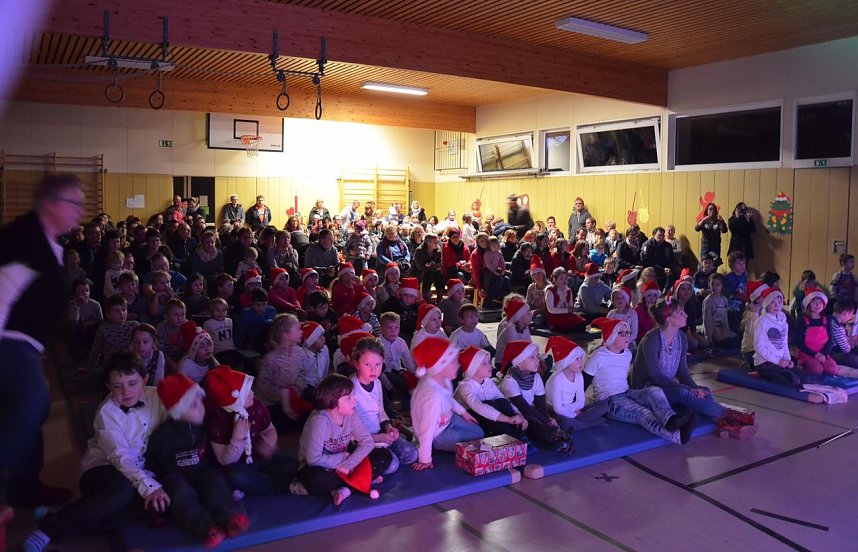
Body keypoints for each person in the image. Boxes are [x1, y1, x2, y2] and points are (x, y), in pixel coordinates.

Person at [0, 174, 86, 517]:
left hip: (27, 345)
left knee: (29, 412)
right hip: (9, 342)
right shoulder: (24, 241)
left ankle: (24, 488)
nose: (81, 211)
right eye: (74, 203)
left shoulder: (48, 243)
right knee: (32, 402)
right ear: (51, 205)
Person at [22, 352, 166, 552]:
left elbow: (182, 411)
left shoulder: (157, 396)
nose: (126, 391)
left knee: (148, 508)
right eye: (118, 386)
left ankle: (60, 515)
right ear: (108, 387)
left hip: (139, 472)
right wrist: (149, 486)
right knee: (121, 494)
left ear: (145, 380)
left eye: (132, 383)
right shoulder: (106, 412)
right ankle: (48, 529)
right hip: (103, 468)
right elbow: (120, 457)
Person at [147, 374, 249, 547]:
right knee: (180, 492)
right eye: (194, 405)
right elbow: (152, 462)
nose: (201, 408)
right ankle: (207, 526)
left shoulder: (203, 424)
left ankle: (229, 517)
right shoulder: (163, 435)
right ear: (179, 412)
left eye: (200, 402)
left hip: (201, 470)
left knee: (214, 480)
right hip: (175, 475)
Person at [632, 299, 756, 439]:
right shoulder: (651, 340)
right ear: (669, 318)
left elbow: (683, 372)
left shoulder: (681, 339)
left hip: (665, 388)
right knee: (681, 392)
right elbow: (656, 376)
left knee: (705, 391)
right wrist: (689, 389)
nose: (685, 315)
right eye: (680, 312)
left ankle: (723, 424)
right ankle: (734, 416)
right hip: (646, 390)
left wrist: (696, 389)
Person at [583, 318, 697, 445]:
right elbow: (583, 382)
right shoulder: (598, 357)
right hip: (610, 400)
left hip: (626, 392)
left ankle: (670, 419)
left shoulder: (626, 353)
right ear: (611, 337)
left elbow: (621, 379)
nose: (627, 336)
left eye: (628, 332)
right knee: (643, 413)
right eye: (622, 333)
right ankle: (677, 436)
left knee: (654, 391)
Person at [298, 374, 390, 505]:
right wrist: (344, 459)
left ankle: (346, 490)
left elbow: (367, 441)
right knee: (316, 479)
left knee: (384, 455)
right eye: (349, 398)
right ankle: (362, 480)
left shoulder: (351, 413)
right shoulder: (320, 420)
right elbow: (313, 459)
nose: (354, 400)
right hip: (321, 467)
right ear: (332, 401)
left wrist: (349, 463)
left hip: (346, 465)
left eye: (353, 396)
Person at [410, 337, 484, 471]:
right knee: (477, 436)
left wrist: (464, 413)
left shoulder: (442, 379)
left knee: (479, 431)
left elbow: (448, 399)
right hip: (436, 434)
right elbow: (427, 429)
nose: (458, 365)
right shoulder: (433, 396)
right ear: (441, 365)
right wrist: (425, 459)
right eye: (454, 362)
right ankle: (425, 444)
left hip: (447, 419)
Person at [349, 336, 417, 473]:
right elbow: (348, 429)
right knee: (392, 465)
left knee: (412, 454)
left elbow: (380, 410)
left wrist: (388, 427)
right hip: (361, 441)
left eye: (378, 365)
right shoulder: (350, 389)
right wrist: (375, 438)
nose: (373, 370)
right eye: (367, 365)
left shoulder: (378, 383)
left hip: (380, 434)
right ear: (356, 364)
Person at [455, 346, 527, 439]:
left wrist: (518, 415)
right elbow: (480, 408)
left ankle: (516, 433)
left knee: (502, 402)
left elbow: (502, 398)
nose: (490, 366)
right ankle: (509, 438)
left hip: (488, 415)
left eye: (489, 362)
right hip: (467, 419)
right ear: (472, 369)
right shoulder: (465, 386)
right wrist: (508, 419)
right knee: (490, 404)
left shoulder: (488, 381)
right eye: (484, 364)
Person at [545, 336, 608, 433]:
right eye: (576, 359)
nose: (581, 362)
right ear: (566, 362)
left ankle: (578, 423)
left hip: (573, 408)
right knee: (564, 422)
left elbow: (581, 401)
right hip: (556, 412)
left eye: (581, 358)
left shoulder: (579, 376)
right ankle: (588, 424)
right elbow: (557, 408)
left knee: (604, 405)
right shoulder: (557, 379)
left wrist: (574, 410)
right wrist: (574, 414)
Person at [795, 287, 838, 377]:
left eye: (820, 302)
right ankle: (802, 368)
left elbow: (830, 340)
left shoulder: (827, 319)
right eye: (814, 302)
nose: (817, 305)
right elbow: (798, 342)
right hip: (806, 353)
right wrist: (814, 355)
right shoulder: (802, 320)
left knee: (832, 370)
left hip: (822, 353)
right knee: (817, 370)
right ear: (808, 304)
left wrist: (823, 354)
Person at [727, 202, 755, 266]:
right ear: (736, 209)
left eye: (744, 209)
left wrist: (748, 219)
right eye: (740, 209)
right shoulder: (732, 218)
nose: (742, 211)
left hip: (745, 244)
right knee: (734, 264)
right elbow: (732, 229)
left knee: (744, 265)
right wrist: (736, 217)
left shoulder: (748, 219)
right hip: (735, 244)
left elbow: (753, 230)